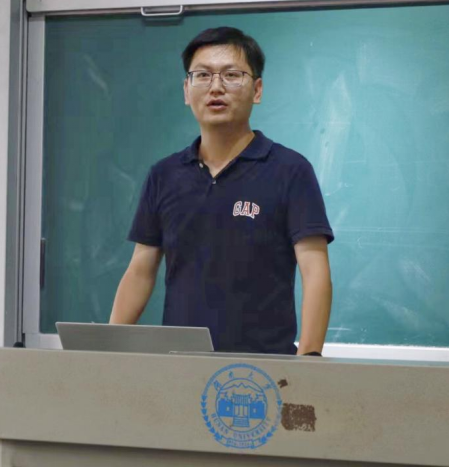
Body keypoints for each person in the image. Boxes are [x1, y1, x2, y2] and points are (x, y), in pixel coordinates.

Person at [109, 27, 334, 356]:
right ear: (186, 91)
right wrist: (108, 350)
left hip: (263, 370)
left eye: (232, 75)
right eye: (202, 75)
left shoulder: (290, 170)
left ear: (257, 90)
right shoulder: (164, 175)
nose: (216, 87)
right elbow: (140, 271)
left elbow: (314, 271)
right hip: (179, 365)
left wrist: (309, 359)